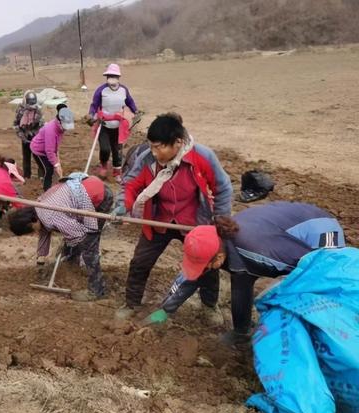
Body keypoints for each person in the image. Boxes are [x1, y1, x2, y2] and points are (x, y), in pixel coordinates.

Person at [175, 202, 345, 345]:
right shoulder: (215, 238)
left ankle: (322, 338)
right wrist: (162, 312)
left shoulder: (261, 253)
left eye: (207, 265)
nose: (206, 269)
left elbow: (303, 269)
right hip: (277, 228)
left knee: (314, 288)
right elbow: (189, 278)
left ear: (219, 257)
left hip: (319, 231)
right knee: (240, 276)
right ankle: (242, 332)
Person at [115, 113, 233, 322]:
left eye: (159, 147)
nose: (154, 152)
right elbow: (130, 184)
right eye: (151, 146)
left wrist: (219, 221)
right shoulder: (148, 159)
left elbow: (223, 188)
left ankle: (209, 306)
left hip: (193, 222)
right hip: (158, 219)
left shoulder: (202, 156)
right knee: (140, 262)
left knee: (207, 263)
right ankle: (131, 303)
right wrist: (122, 206)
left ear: (178, 142)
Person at [8, 174, 113, 301]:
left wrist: (67, 240)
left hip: (99, 196)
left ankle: (96, 290)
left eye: (30, 232)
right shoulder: (39, 205)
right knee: (70, 237)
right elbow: (45, 233)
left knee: (88, 244)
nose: (34, 234)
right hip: (89, 186)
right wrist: (40, 260)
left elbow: (79, 233)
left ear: (31, 223)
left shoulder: (49, 216)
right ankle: (71, 263)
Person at [87, 63, 139, 182]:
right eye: (109, 75)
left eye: (114, 76)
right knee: (105, 149)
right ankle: (104, 165)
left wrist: (136, 111)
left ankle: (117, 172)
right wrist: (91, 115)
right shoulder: (101, 90)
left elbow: (130, 101)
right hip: (104, 124)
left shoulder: (123, 90)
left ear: (118, 77)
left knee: (117, 150)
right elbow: (94, 105)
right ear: (106, 77)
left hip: (118, 126)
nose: (112, 78)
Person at [30, 106, 75, 191]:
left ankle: (47, 179)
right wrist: (56, 165)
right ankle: (46, 190)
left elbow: (55, 147)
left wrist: (58, 162)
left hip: (47, 149)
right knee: (48, 170)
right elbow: (49, 150)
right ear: (60, 121)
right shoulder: (51, 130)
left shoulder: (60, 129)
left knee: (53, 166)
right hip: (38, 150)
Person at [13, 91, 44, 179]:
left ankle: (42, 174)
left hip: (36, 135)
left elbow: (41, 125)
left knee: (38, 155)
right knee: (26, 156)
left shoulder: (38, 110)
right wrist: (22, 137)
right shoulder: (20, 111)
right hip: (25, 135)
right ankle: (27, 176)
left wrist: (38, 137)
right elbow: (16, 125)